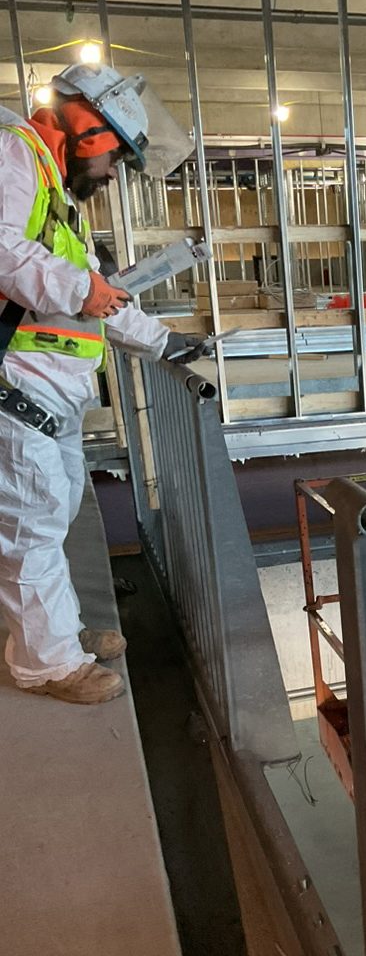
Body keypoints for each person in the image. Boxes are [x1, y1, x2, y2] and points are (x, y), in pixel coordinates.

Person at [0, 59, 208, 705]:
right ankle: (47, 663)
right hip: (16, 386)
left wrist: (165, 341)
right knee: (32, 524)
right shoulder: (13, 153)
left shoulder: (58, 202)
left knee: (51, 513)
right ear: (88, 127)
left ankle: (51, 632)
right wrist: (80, 285)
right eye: (117, 153)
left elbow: (103, 303)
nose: (115, 171)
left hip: (47, 394)